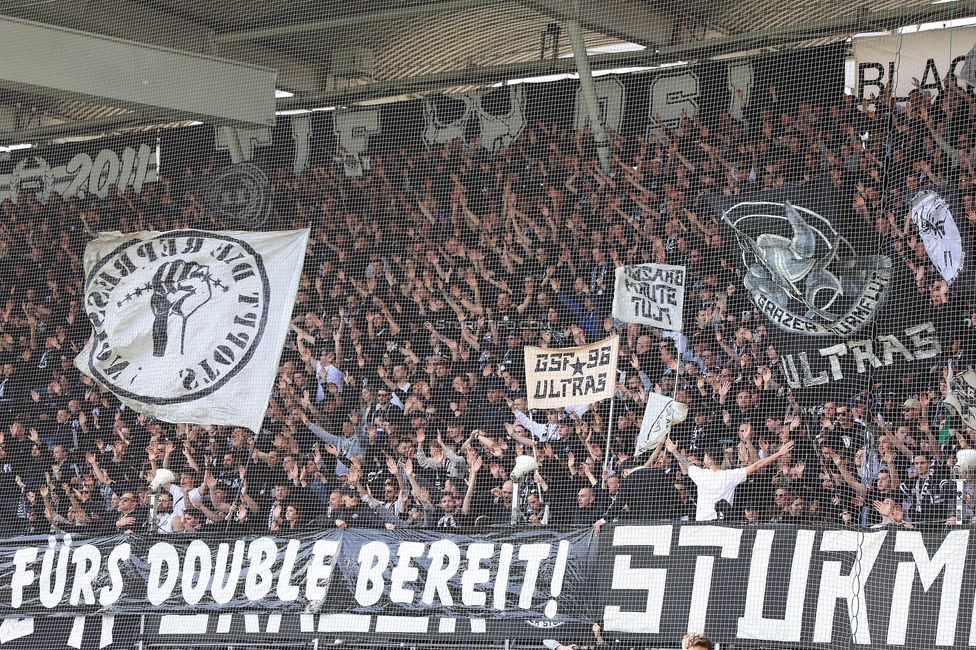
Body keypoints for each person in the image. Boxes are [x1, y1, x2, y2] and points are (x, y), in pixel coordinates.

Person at [666, 438, 794, 521]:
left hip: (702, 524)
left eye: (705, 457)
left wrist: (674, 451)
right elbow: (756, 465)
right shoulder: (730, 475)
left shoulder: (701, 475)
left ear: (709, 462)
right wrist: (779, 453)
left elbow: (687, 464)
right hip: (723, 524)